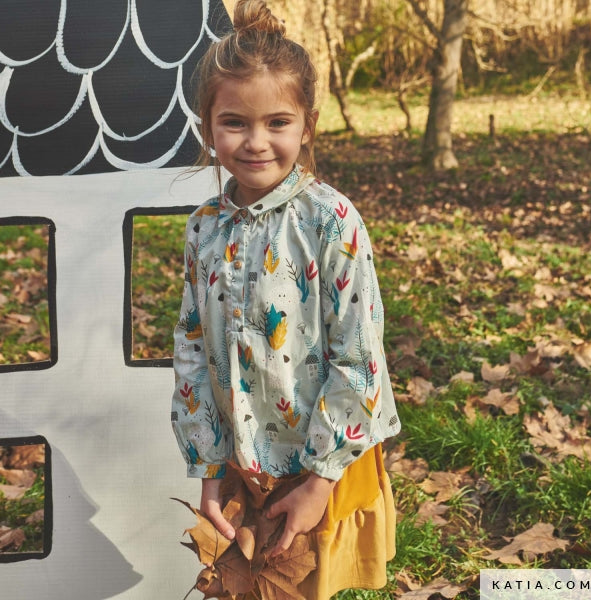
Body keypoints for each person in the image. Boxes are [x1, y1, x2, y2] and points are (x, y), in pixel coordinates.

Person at [171, 1, 401, 597]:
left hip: (322, 465)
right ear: (207, 127)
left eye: (277, 122)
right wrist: (209, 467)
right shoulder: (203, 228)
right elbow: (193, 349)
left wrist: (320, 481)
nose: (256, 142)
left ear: (308, 125)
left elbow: (360, 358)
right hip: (242, 464)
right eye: (234, 122)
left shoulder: (331, 222)